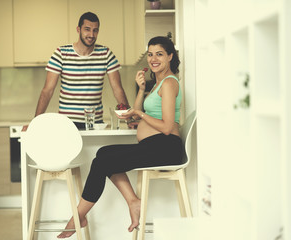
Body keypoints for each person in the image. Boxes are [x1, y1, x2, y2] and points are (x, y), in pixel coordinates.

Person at [57, 36, 184, 238]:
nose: (153, 59)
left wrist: (140, 115)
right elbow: (146, 112)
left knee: (102, 161)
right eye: (150, 54)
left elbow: (168, 127)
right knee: (104, 153)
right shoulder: (159, 83)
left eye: (159, 54)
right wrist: (142, 90)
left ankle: (77, 216)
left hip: (166, 148)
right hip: (157, 145)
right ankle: (132, 201)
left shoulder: (169, 83)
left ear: (170, 56)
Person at [22, 12, 130, 131]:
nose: (91, 34)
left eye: (95, 30)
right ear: (78, 30)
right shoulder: (61, 53)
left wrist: (129, 119)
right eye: (87, 29)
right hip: (67, 124)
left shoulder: (105, 54)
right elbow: (47, 91)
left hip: (94, 123)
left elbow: (117, 89)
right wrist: (35, 123)